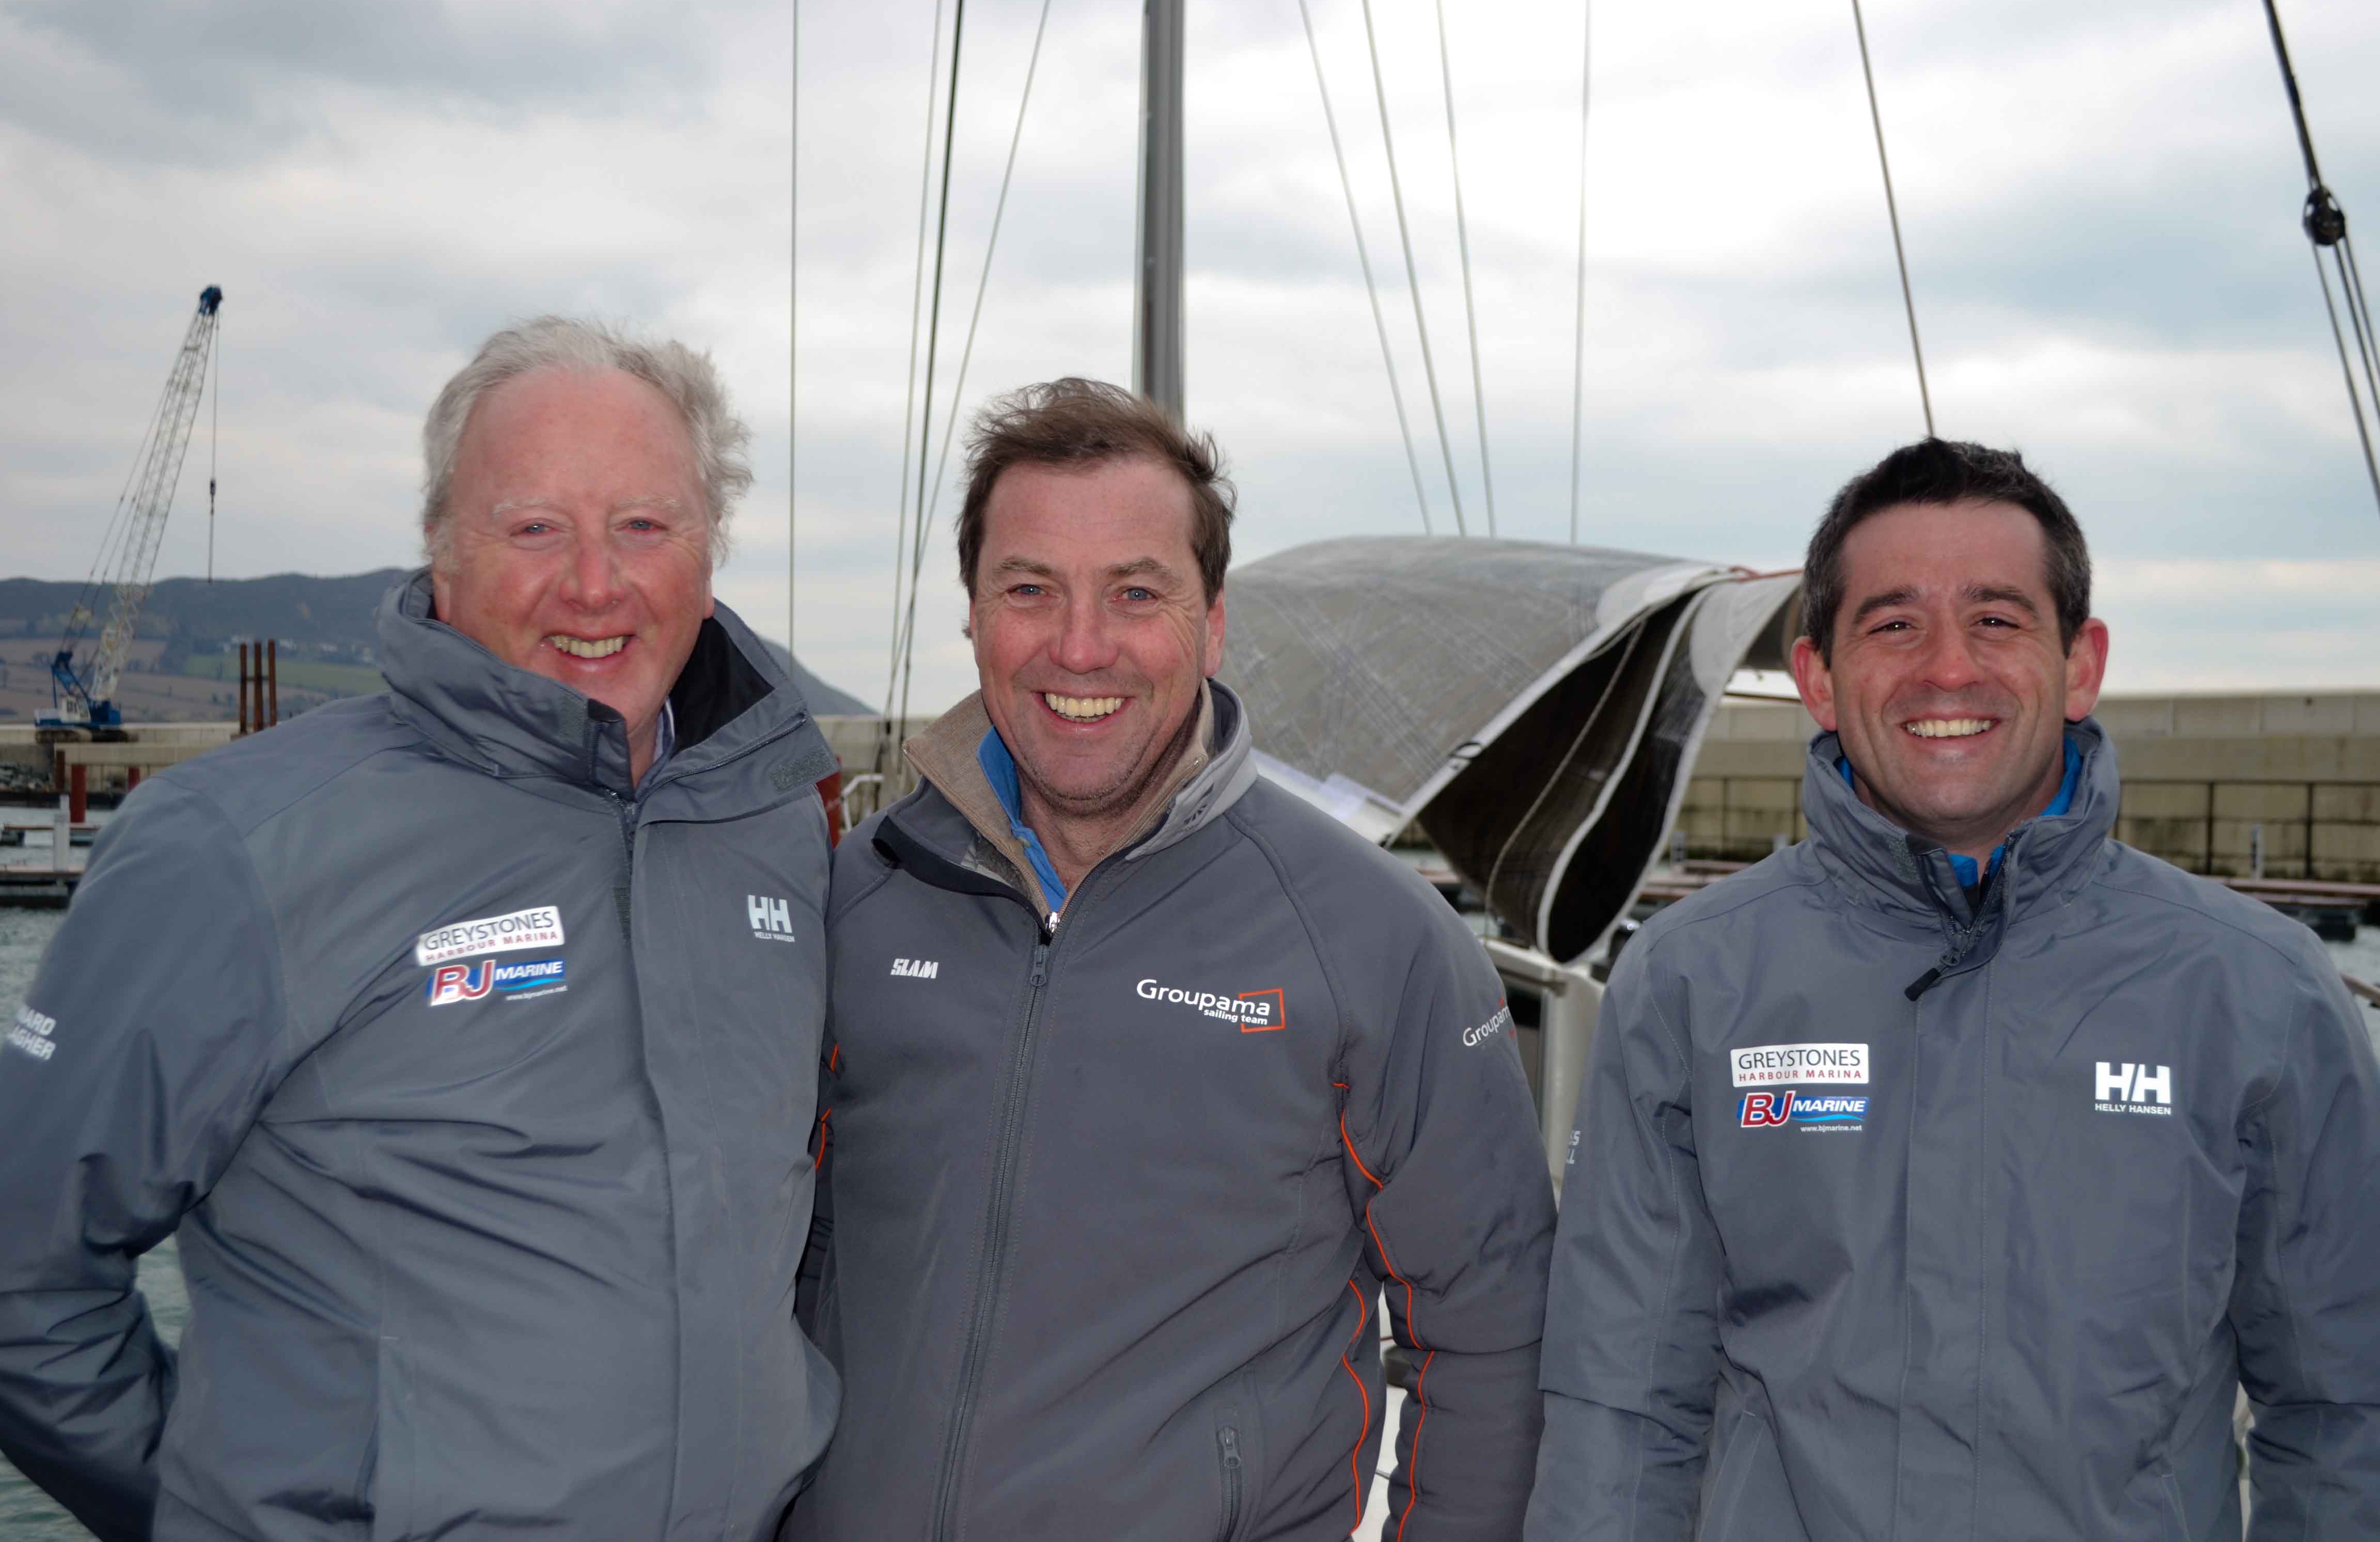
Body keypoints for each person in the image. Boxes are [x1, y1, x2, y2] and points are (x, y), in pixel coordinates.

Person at [0, 318, 842, 1541]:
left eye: (643, 526)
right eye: (534, 527)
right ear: (443, 551)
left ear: (708, 556)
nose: (594, 583)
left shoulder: (777, 829)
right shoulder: (235, 847)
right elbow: (22, 1275)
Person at [1526, 438, 2380, 1540]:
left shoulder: (2261, 993)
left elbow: (2344, 1407)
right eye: (1894, 625)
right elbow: (1623, 1403)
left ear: (2080, 664)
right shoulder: (1691, 980)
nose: (1947, 669)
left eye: (1997, 619)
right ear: (1818, 680)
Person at [788, 378, 1554, 1541]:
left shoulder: (1372, 939)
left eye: (1136, 593)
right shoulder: (863, 897)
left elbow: (1495, 1332)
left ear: (1214, 623)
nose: (1080, 646)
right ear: (975, 616)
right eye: (1029, 589)